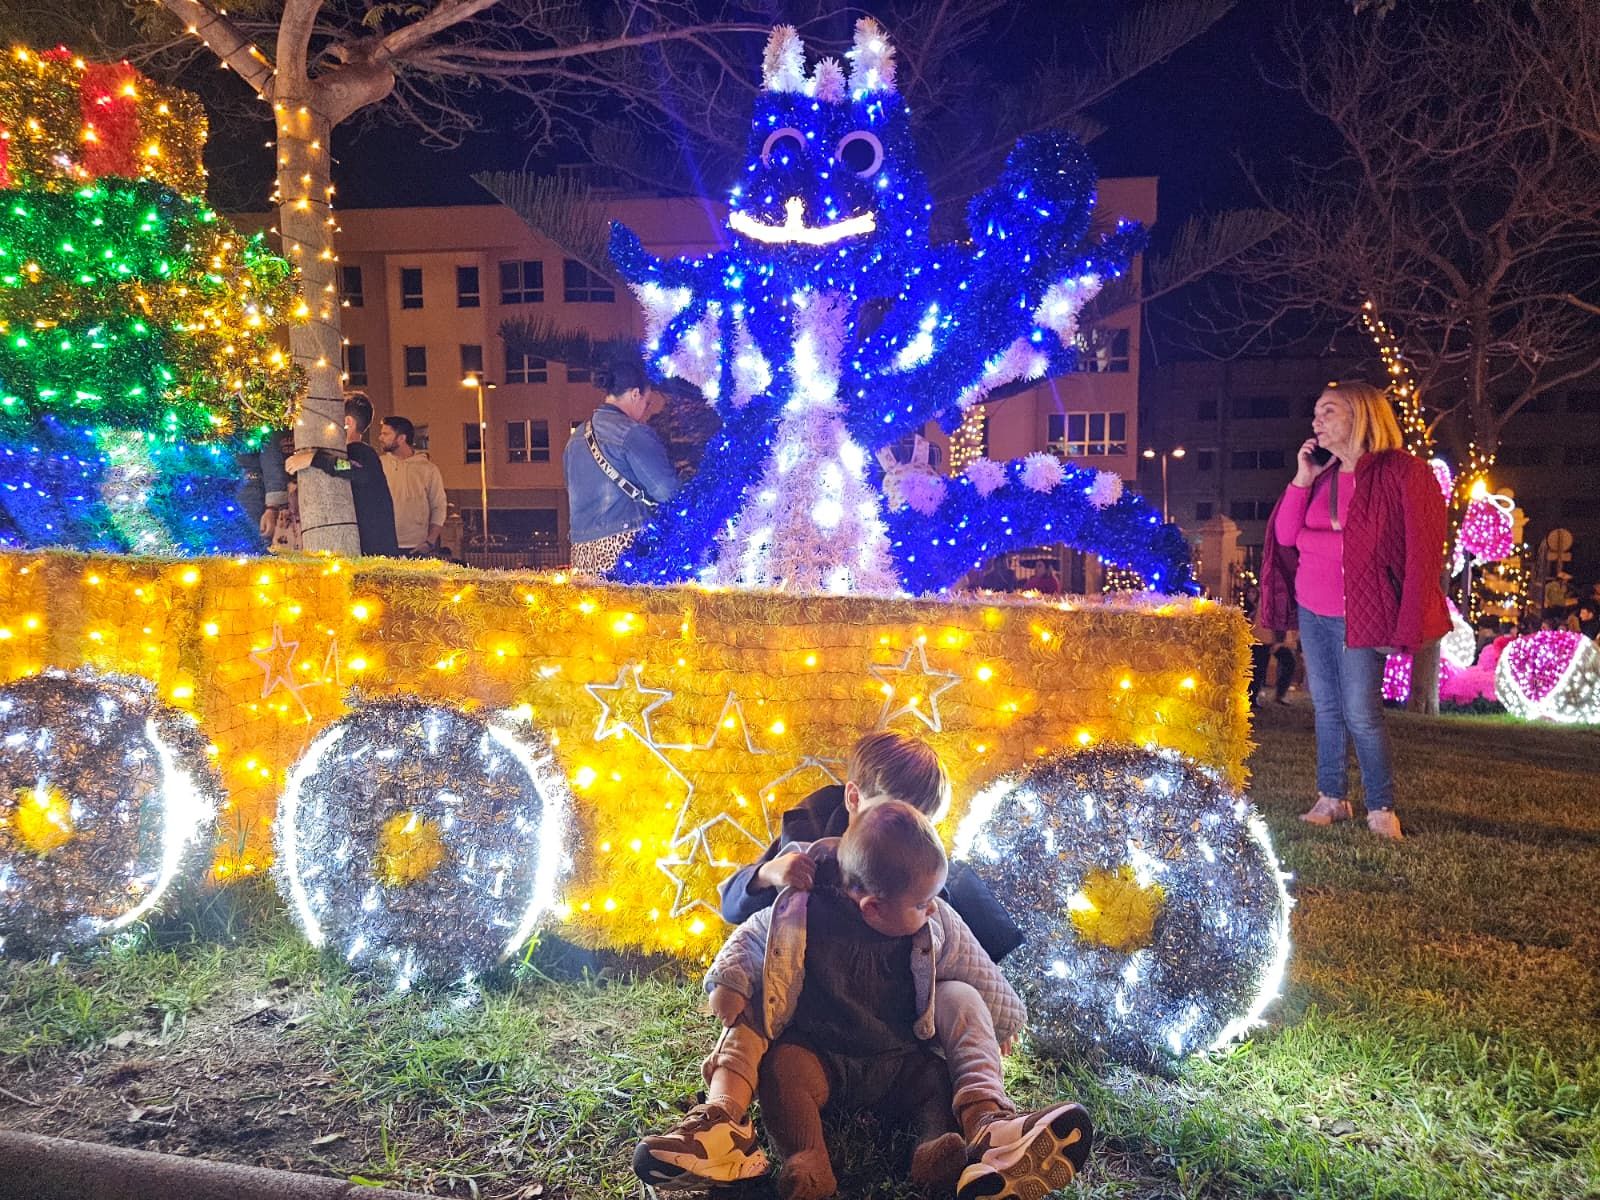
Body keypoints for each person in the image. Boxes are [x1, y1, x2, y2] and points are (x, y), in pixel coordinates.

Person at [637, 801, 1092, 1200]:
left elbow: (975, 964)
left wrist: (1003, 1022)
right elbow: (757, 935)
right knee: (783, 1071)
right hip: (819, 1057)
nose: (934, 908)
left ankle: (953, 1143)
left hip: (902, 1062)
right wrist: (730, 981)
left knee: (939, 1077)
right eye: (923, 902)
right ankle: (806, 1156)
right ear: (872, 907)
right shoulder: (805, 909)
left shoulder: (932, 920)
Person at [1258, 381, 1449, 840]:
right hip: (1313, 609)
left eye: (1329, 411)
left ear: (1361, 415)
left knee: (1361, 710)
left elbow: (1421, 549)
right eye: (1316, 412)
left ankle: (1380, 807)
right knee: (1326, 707)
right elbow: (1285, 536)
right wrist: (1302, 477)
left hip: (1362, 611)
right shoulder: (1322, 476)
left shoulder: (1402, 473)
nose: (1316, 421)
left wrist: (1407, 618)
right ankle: (1332, 797)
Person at [562, 358, 679, 575]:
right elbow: (667, 491)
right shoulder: (632, 433)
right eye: (647, 402)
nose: (645, 410)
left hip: (581, 553)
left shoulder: (576, 438)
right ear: (635, 394)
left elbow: (571, 489)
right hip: (624, 548)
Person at [378, 416, 447, 555]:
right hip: (384, 545)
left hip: (416, 547)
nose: (380, 438)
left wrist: (429, 542)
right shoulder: (379, 464)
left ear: (401, 438)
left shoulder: (428, 469)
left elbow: (439, 507)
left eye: (386, 434)